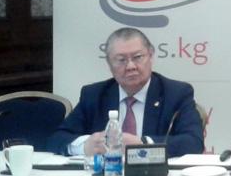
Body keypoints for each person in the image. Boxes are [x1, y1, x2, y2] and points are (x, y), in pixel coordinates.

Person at [48, 27, 203, 158]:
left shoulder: (176, 93)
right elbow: (56, 139)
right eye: (121, 60)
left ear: (151, 56)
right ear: (109, 64)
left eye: (137, 57)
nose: (130, 66)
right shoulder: (94, 95)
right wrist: (84, 146)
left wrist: (143, 144)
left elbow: (193, 142)